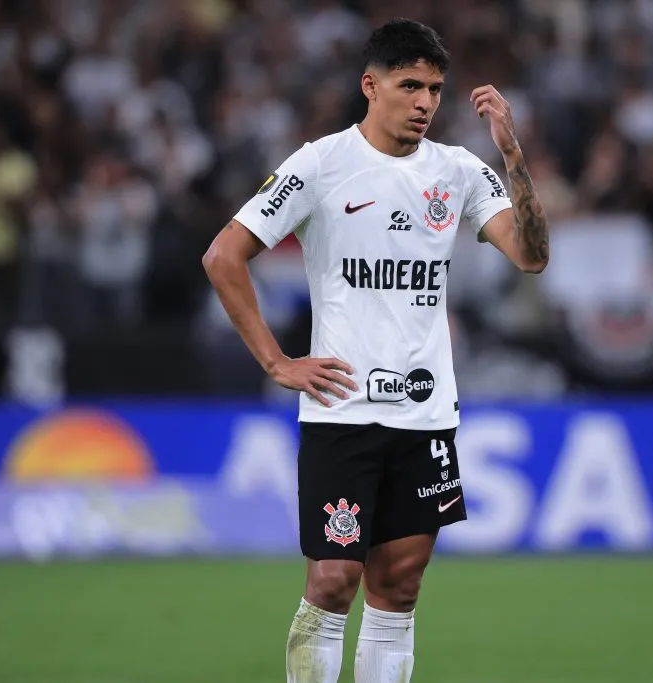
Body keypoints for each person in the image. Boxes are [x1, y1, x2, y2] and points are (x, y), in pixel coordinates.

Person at [201, 18, 549, 683]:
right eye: (409, 85)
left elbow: (532, 256)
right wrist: (276, 361)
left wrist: (513, 157)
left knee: (400, 587)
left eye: (435, 89)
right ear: (372, 85)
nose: (423, 101)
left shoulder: (459, 171)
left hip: (425, 415)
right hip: (342, 412)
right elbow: (223, 256)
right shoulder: (321, 163)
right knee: (333, 579)